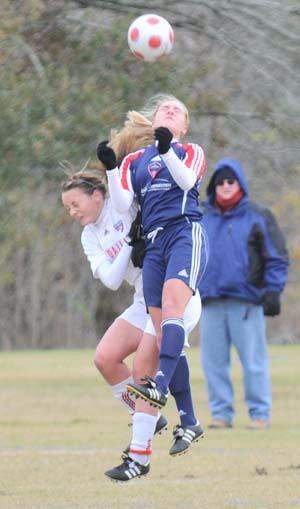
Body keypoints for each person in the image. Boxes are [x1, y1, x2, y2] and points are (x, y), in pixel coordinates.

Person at [61, 162, 203, 481]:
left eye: (75, 204)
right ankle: (148, 415)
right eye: (68, 207)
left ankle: (139, 456)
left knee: (142, 368)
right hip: (143, 298)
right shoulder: (89, 236)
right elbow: (112, 280)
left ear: (97, 195)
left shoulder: (122, 205)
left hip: (172, 293)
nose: (72, 212)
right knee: (105, 358)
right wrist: (129, 244)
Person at [97, 94, 207, 481]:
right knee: (155, 340)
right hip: (156, 244)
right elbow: (125, 202)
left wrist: (167, 148)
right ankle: (150, 449)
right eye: (165, 108)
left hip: (183, 233)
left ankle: (162, 399)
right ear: (155, 119)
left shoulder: (190, 150)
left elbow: (187, 180)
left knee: (158, 342)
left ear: (183, 127)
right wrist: (112, 170)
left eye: (179, 110)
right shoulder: (135, 161)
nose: (171, 111)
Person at [198, 158, 289, 430]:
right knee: (213, 363)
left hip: (247, 302)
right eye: (220, 182)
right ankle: (221, 414)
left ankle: (259, 413)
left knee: (253, 361)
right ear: (214, 186)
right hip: (209, 301)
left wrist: (273, 290)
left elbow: (277, 257)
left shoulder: (258, 216)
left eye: (231, 181)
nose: (225, 187)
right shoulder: (201, 216)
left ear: (240, 184)